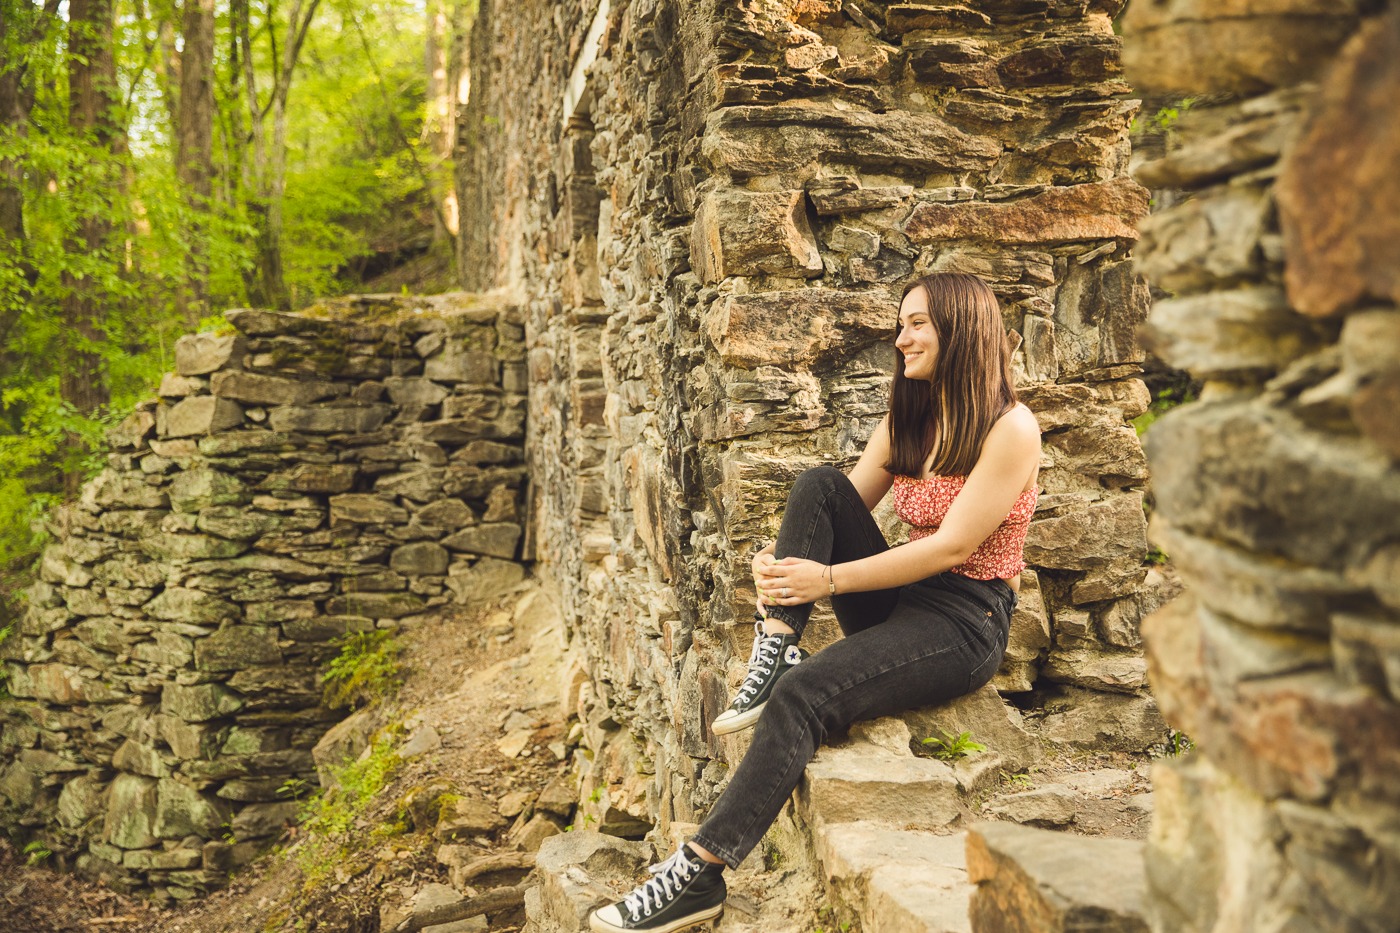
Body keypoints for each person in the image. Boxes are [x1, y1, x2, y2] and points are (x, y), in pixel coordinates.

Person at [588, 272, 1042, 933]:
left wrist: (823, 581)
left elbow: (950, 548)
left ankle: (701, 872)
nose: (900, 336)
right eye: (902, 322)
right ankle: (775, 644)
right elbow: (836, 511)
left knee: (806, 694)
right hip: (905, 597)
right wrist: (783, 569)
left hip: (965, 618)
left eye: (917, 323)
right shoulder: (910, 417)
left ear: (961, 327)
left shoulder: (1012, 428)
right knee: (819, 485)